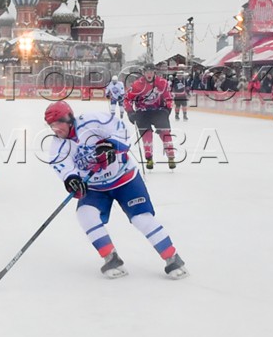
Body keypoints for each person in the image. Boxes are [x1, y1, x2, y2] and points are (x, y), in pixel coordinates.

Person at [40, 100, 187, 280]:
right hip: (96, 188)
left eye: (58, 123)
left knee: (141, 218)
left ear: (69, 118)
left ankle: (172, 258)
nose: (55, 129)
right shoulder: (58, 145)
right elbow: (62, 167)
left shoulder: (92, 121)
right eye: (51, 126)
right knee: (85, 214)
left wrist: (112, 145)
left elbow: (122, 129)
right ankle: (111, 258)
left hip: (124, 178)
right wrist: (72, 180)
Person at [123, 63, 177, 170]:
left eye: (151, 72)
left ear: (154, 73)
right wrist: (130, 112)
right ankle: (149, 158)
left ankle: (171, 156)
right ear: (143, 73)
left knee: (165, 132)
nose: (149, 74)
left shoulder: (162, 83)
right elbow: (127, 99)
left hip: (158, 111)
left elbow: (169, 97)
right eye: (147, 72)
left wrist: (167, 109)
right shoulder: (137, 85)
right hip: (142, 112)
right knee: (146, 135)